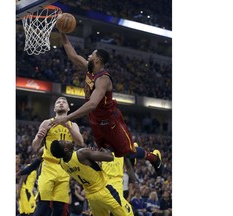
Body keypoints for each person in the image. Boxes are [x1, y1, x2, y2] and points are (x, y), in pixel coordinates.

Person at [51, 32, 163, 176]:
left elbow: (92, 104)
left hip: (111, 122)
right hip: (96, 120)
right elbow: (73, 55)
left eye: (91, 55)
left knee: (128, 152)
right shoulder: (89, 69)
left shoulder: (103, 79)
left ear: (97, 60)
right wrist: (62, 34)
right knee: (107, 153)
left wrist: (67, 118)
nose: (88, 57)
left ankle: (154, 158)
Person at [31, 96, 84, 216]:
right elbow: (35, 147)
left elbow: (80, 142)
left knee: (59, 209)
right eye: (58, 102)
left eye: (63, 102)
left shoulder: (73, 125)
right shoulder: (46, 122)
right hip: (48, 167)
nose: (61, 103)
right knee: (43, 207)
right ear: (54, 108)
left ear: (68, 108)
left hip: (64, 169)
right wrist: (39, 137)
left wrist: (68, 127)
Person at [50, 140, 134, 216]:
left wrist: (91, 156)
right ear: (65, 150)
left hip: (91, 197)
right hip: (104, 190)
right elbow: (110, 157)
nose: (67, 141)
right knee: (128, 213)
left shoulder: (62, 164)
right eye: (65, 143)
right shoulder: (82, 153)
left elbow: (87, 168)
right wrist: (104, 151)